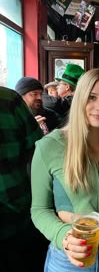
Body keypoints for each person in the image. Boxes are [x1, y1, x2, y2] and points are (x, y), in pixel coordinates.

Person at [31, 68, 99, 272]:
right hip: (69, 258)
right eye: (92, 97)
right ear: (79, 97)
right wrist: (63, 236)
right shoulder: (49, 146)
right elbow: (39, 209)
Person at [0, 86, 48, 272]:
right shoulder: (8, 98)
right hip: (19, 214)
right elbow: (36, 151)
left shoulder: (9, 99)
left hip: (19, 217)